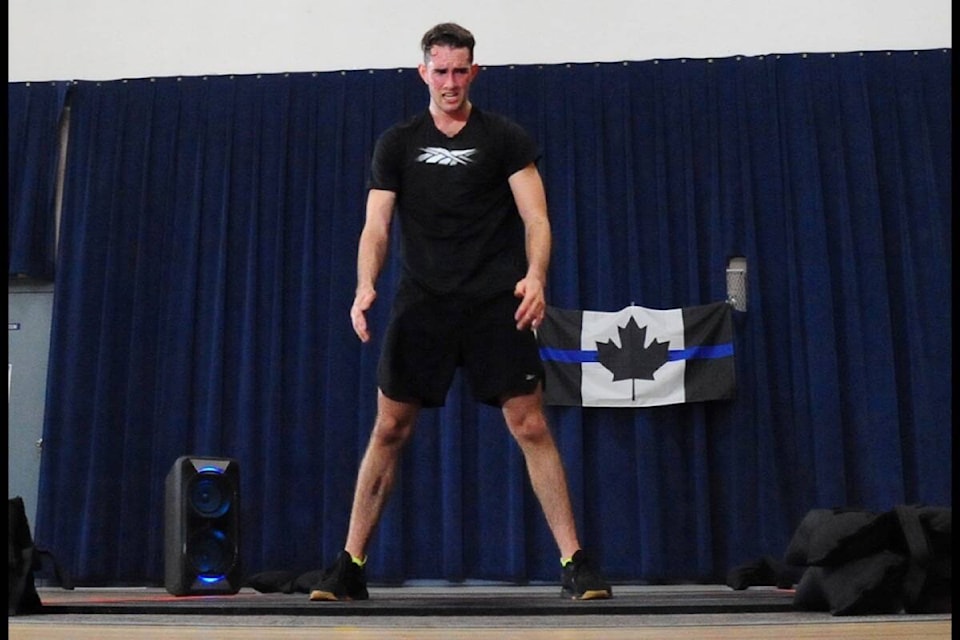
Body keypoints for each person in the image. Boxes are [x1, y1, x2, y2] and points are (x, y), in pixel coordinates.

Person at [309, 22, 612, 602]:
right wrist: (364, 285)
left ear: (474, 71)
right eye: (440, 71)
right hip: (423, 304)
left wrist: (537, 276)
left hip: (495, 303)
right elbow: (376, 224)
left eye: (460, 70)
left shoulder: (504, 138)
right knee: (390, 426)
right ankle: (349, 566)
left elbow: (537, 219)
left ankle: (575, 562)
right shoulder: (397, 143)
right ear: (423, 72)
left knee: (529, 424)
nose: (450, 82)